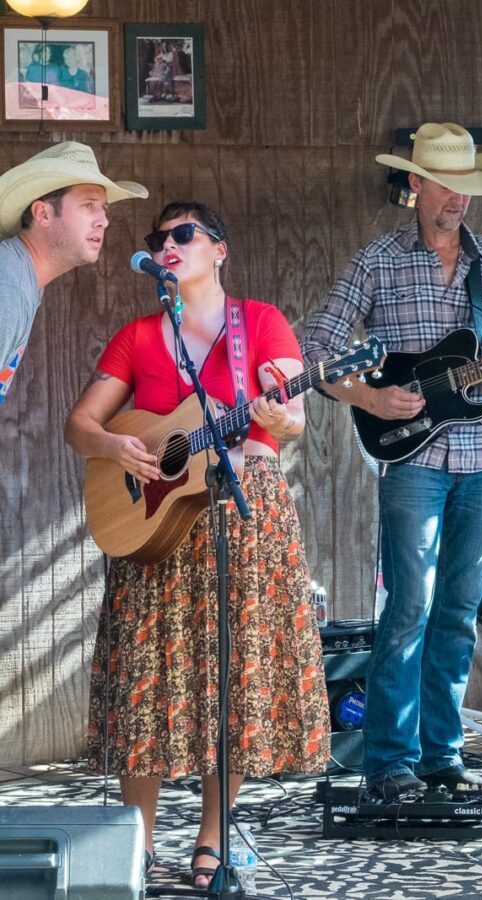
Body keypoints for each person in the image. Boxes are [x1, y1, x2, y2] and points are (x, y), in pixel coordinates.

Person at [64, 201, 331, 884]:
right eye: (160, 238)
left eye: (184, 234)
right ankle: (137, 844)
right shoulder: (136, 337)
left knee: (236, 678)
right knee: (145, 683)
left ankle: (211, 844)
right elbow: (80, 426)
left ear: (219, 250)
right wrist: (117, 445)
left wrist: (277, 413)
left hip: (247, 519)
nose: (169, 244)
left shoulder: (261, 323)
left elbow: (292, 416)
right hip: (155, 527)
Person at [302, 122, 482, 800]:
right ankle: (389, 761)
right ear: (415, 184)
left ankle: (443, 754)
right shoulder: (377, 260)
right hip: (413, 461)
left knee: (459, 612)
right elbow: (315, 349)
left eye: (469, 187)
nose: (461, 200)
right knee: (408, 608)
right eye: (448, 186)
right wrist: (368, 399)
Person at [0, 141, 147, 407]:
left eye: (104, 208)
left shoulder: (20, 276)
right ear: (43, 213)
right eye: (88, 206)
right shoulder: (7, 286)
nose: (104, 220)